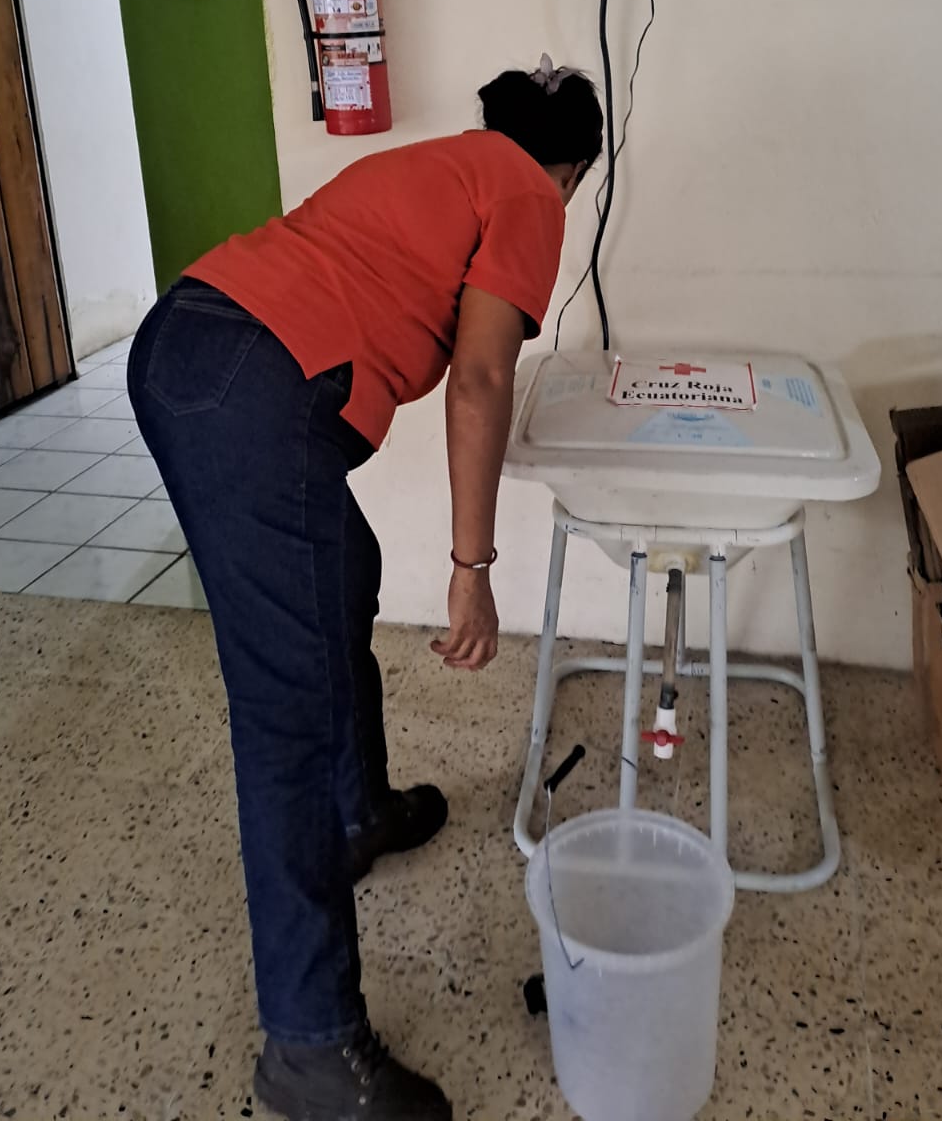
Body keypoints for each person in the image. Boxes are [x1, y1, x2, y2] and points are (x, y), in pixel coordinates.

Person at [128, 58, 603, 1121]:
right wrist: (473, 572)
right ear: (571, 171)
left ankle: (360, 812)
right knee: (283, 713)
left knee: (341, 568)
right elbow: (481, 376)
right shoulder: (529, 192)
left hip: (185, 341)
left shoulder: (449, 164)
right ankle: (310, 1045)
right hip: (251, 389)